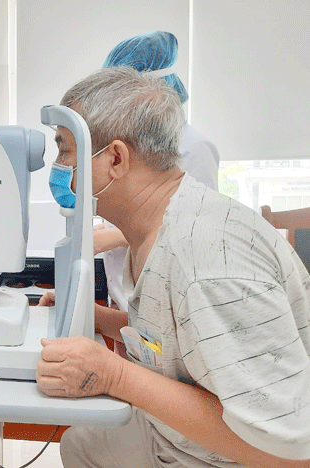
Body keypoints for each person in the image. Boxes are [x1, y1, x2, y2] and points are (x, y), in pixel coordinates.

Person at [37, 67, 310, 467]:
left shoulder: (207, 260)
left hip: (229, 458)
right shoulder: (156, 229)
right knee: (80, 445)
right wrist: (99, 319)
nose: (58, 166)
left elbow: (286, 453)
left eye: (65, 150)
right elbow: (176, 343)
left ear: (115, 158)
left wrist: (113, 374)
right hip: (176, 437)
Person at [100, 30, 220, 313]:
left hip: (165, 307)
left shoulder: (193, 147)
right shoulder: (134, 147)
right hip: (132, 308)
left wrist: (115, 236)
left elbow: (196, 227)